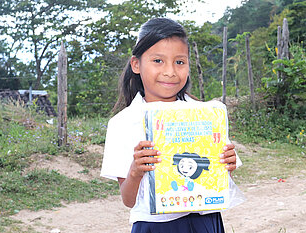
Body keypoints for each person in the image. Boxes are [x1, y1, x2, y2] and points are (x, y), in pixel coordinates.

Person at [101, 17, 243, 233]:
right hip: (154, 226)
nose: (170, 71)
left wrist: (227, 165)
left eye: (179, 62)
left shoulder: (205, 114)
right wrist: (135, 171)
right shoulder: (122, 123)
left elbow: (218, 182)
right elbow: (128, 200)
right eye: (158, 61)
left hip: (205, 222)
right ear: (136, 64)